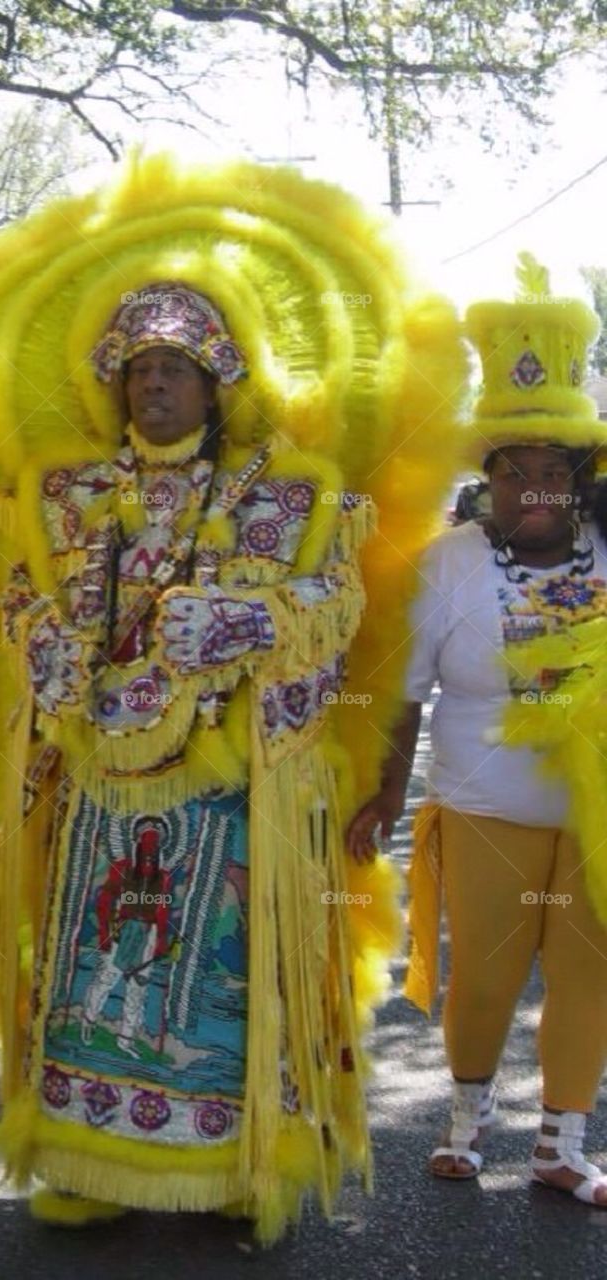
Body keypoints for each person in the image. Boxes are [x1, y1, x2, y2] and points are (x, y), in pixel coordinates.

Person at [0, 157, 467, 1246]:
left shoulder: (285, 495)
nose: (152, 384)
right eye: (135, 366)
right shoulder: (67, 498)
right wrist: (47, 649)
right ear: (111, 382)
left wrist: (250, 625)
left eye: (175, 366)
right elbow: (22, 593)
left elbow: (335, 601)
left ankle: (236, 1165)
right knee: (92, 978)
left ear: (220, 381)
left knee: (221, 986)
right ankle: (86, 1154)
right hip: (95, 784)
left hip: (227, 794)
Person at [347, 269, 607, 1205]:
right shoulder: (441, 567)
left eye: (554, 470)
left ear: (581, 479)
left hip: (597, 816)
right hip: (483, 805)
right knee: (485, 978)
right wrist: (383, 792)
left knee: (588, 977)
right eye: (512, 470)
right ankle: (465, 1125)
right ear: (485, 479)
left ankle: (563, 1145)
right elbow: (405, 693)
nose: (534, 487)